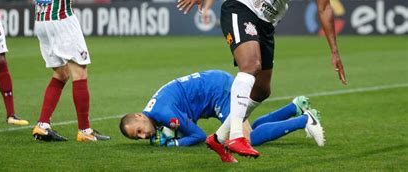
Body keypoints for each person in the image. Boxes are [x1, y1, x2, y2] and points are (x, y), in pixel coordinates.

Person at [177, 0, 347, 158]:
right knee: (251, 65)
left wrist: (334, 50)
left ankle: (219, 138)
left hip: (267, 23)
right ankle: (236, 137)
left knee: (262, 89)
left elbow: (324, 7)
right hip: (241, 8)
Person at [31, 0, 118, 142]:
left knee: (61, 73)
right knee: (80, 72)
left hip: (42, 19)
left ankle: (42, 125)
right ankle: (85, 131)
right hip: (61, 19)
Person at [119, 70, 324, 163]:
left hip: (218, 91)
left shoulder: (164, 114)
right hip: (215, 82)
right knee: (247, 127)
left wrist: (175, 144)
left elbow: (198, 135)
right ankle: (294, 108)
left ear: (139, 115)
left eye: (139, 130)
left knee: (247, 138)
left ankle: (305, 120)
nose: (143, 136)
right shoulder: (154, 110)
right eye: (138, 137)